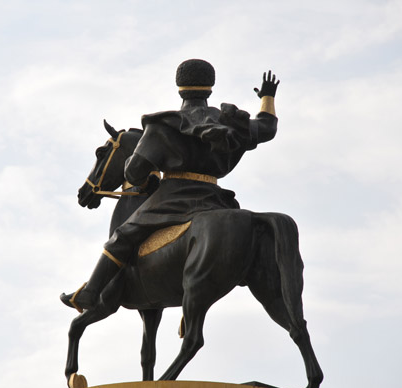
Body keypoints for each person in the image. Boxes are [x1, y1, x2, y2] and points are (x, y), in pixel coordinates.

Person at [61, 59, 279, 312]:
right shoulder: (229, 123)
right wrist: (267, 98)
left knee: (121, 237)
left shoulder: (163, 124)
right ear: (210, 87)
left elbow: (134, 171)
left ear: (179, 87)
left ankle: (90, 293)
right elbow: (267, 127)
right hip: (217, 200)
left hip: (173, 198)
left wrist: (138, 162)